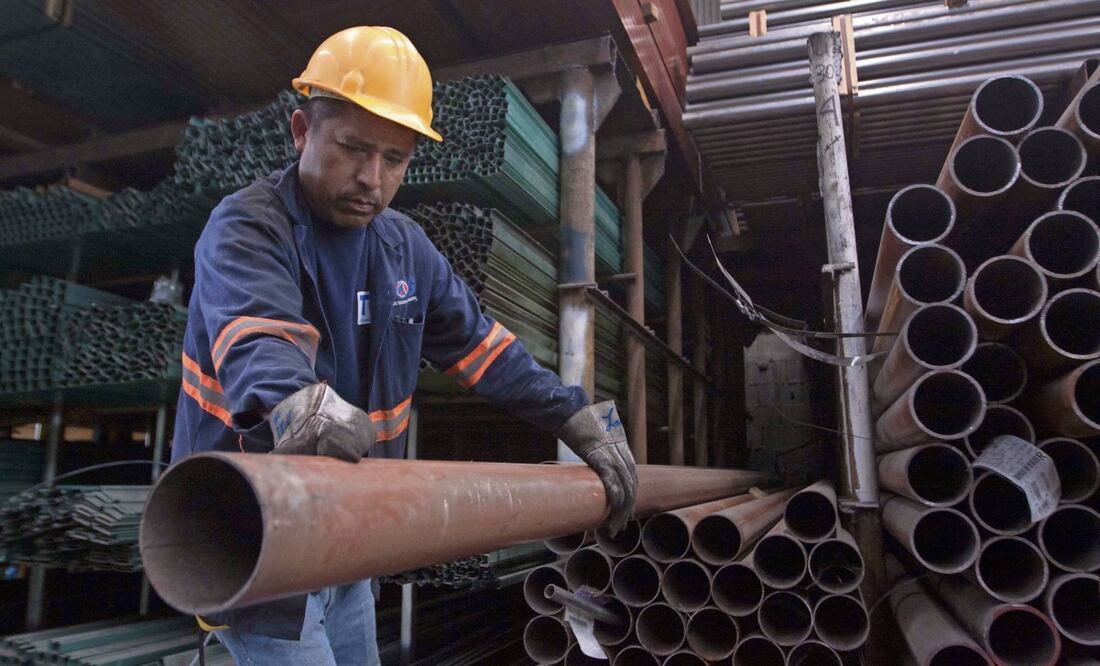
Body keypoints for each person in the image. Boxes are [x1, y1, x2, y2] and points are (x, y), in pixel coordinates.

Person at [170, 26, 638, 665]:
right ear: (302, 131)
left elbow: (482, 349)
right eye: (353, 147)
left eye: (394, 159)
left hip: (345, 538)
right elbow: (260, 338)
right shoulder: (248, 227)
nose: (371, 177)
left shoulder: (403, 248)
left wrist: (573, 414)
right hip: (253, 541)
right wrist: (298, 401)